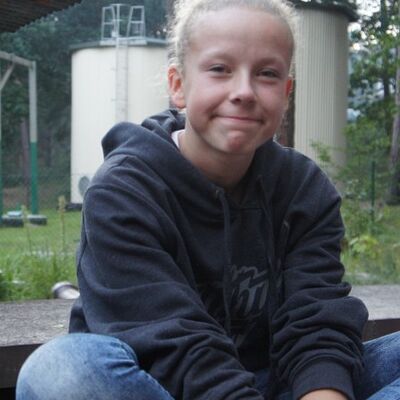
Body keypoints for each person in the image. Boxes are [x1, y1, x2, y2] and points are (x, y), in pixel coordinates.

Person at [16, 0, 400, 399]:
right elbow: (175, 346)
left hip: (279, 383)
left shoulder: (304, 189)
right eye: (219, 69)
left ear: (286, 93)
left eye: (267, 74)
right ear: (178, 85)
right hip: (160, 385)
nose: (244, 91)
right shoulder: (124, 191)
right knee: (60, 371)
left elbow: (316, 323)